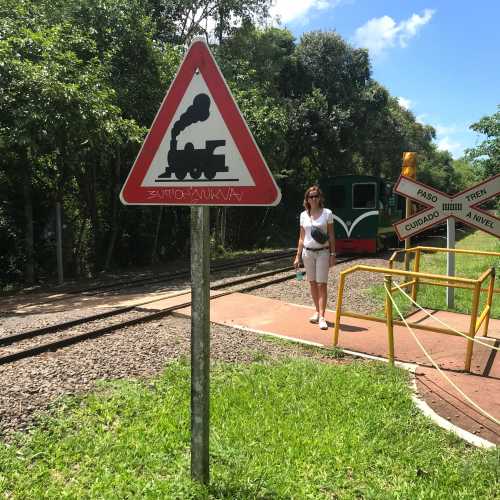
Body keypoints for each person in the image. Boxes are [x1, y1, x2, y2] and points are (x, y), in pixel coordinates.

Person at [293, 185, 336, 330]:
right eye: (310, 196)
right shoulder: (303, 215)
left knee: (321, 284)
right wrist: (297, 256)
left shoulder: (327, 213)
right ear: (307, 199)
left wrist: (333, 254)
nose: (313, 198)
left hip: (323, 252)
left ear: (320, 198)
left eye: (316, 196)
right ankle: (317, 312)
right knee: (312, 283)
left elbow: (331, 235)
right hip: (307, 253)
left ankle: (323, 317)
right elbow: (301, 237)